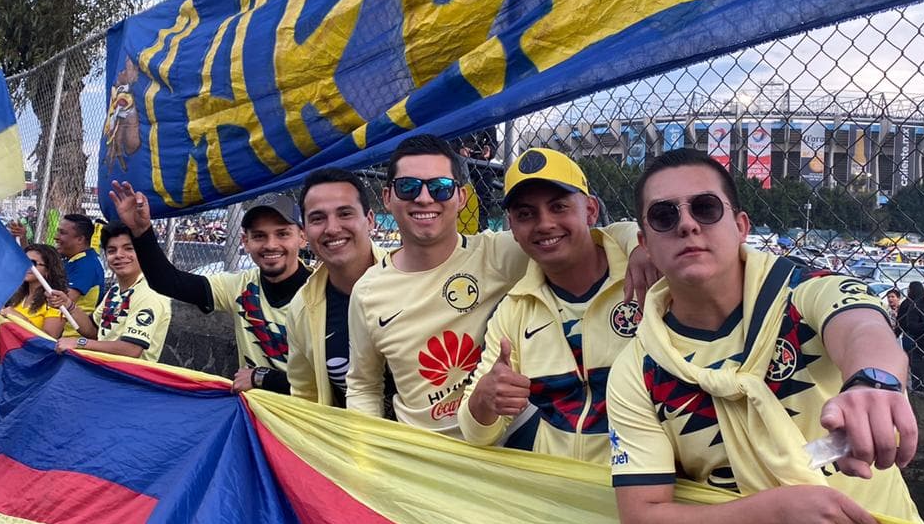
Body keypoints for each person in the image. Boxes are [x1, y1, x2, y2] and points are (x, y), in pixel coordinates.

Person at [605, 149, 919, 524]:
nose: (687, 224)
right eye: (664, 216)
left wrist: (873, 382)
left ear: (740, 226)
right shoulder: (639, 369)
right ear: (645, 245)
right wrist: (778, 510)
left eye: (706, 208)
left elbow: (862, 326)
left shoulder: (802, 292)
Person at [347, 133, 650, 435]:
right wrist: (366, 459)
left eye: (440, 188)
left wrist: (639, 246)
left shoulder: (499, 253)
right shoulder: (368, 291)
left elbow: (595, 233)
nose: (424, 198)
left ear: (461, 197)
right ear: (387, 197)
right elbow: (363, 384)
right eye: (408, 187)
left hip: (505, 442)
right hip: (422, 454)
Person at [459, 149, 640, 463]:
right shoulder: (514, 310)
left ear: (590, 210)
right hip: (556, 491)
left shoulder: (645, 279)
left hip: (648, 489)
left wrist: (640, 241)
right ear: (512, 228)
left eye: (559, 206)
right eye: (526, 214)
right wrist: (486, 399)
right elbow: (477, 434)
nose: (544, 224)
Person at [110, 182, 310, 391]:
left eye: (283, 234)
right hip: (254, 411)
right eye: (259, 236)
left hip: (308, 418)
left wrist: (262, 378)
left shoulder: (322, 292)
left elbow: (333, 386)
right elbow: (168, 282)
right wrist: (141, 230)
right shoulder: (240, 286)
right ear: (245, 241)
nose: (270, 244)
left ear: (302, 237)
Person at [285, 169, 385, 407]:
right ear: (305, 231)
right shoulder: (302, 309)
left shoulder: (411, 278)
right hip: (355, 440)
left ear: (370, 220)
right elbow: (305, 397)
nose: (332, 228)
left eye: (345, 213)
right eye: (318, 218)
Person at [47, 224, 173, 360]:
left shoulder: (150, 293)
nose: (119, 255)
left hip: (129, 378)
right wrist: (68, 304)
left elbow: (131, 349)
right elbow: (93, 331)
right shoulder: (116, 290)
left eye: (129, 249)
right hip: (105, 371)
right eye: (112, 251)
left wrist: (79, 343)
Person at [0, 243, 67, 339]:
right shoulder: (17, 296)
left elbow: (49, 340)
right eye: (24, 261)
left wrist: (18, 318)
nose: (27, 266)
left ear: (48, 270)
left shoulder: (56, 301)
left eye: (33, 263)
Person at [55, 213, 105, 329]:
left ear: (80, 239)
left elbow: (60, 303)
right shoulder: (75, 259)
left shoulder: (86, 265)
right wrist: (22, 238)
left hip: (71, 336)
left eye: (62, 233)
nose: (56, 237)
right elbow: (35, 264)